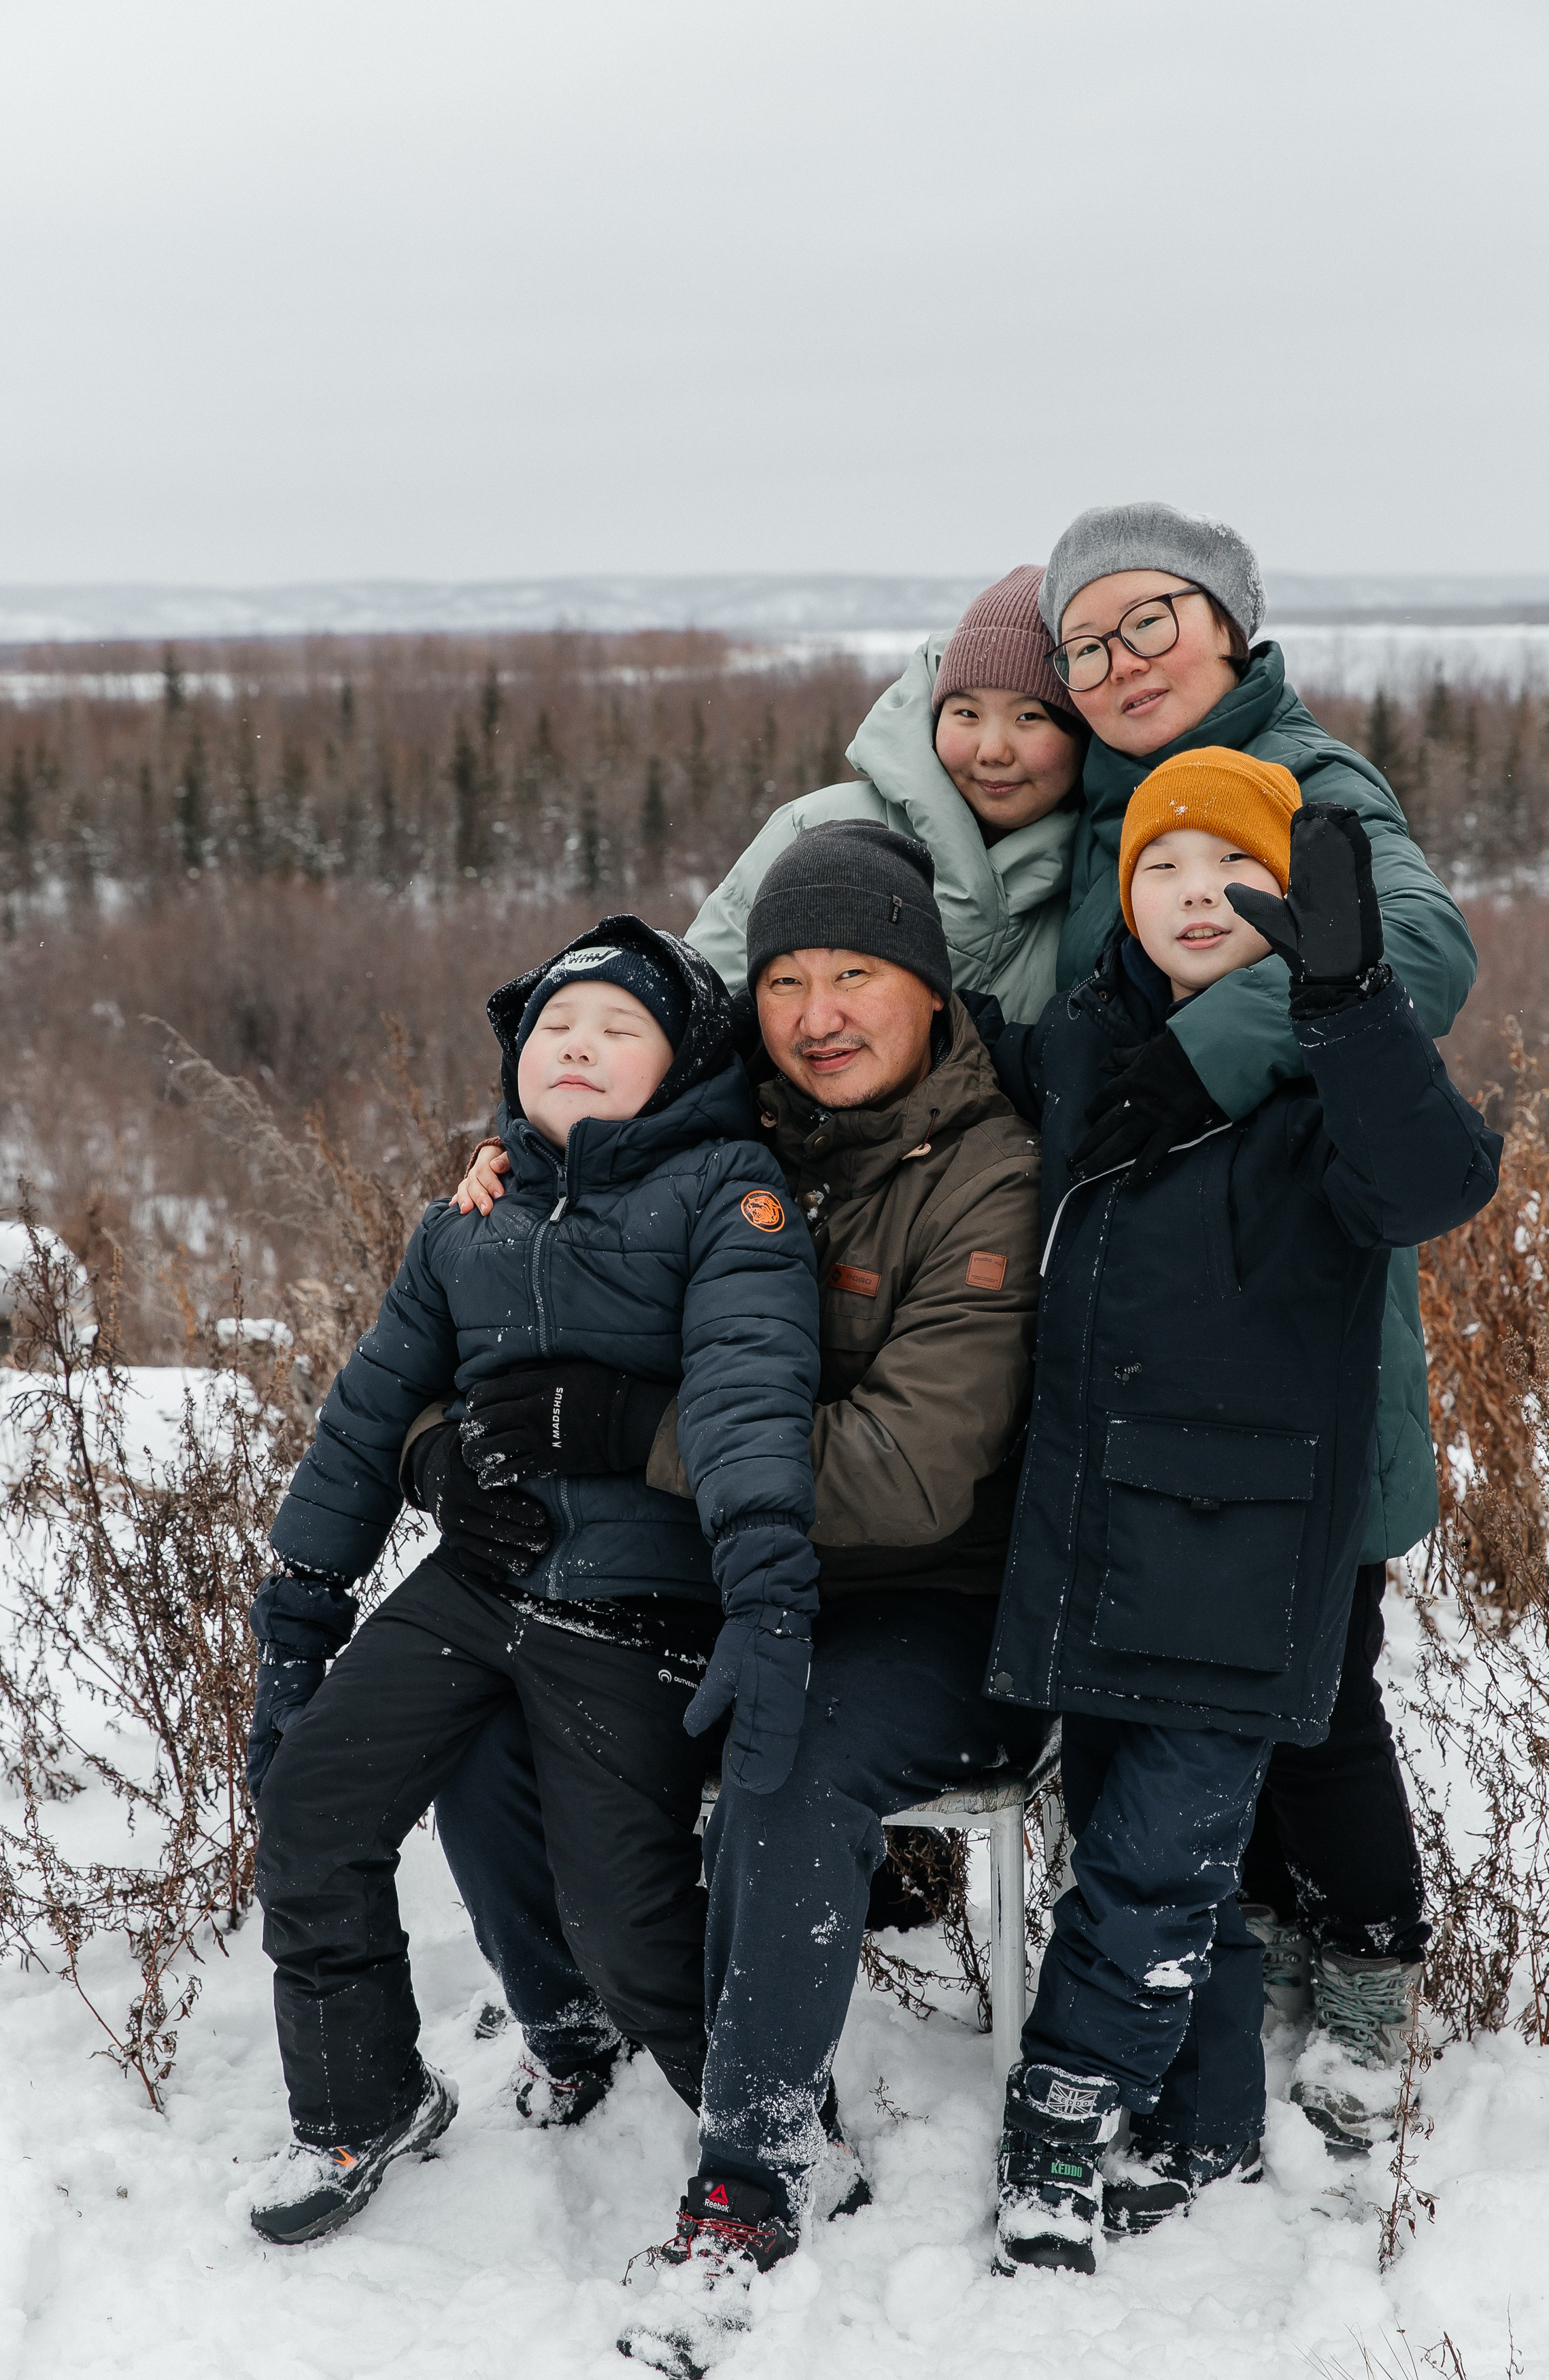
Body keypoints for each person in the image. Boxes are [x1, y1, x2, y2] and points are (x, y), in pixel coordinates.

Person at [449, 824, 1050, 2374]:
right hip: (726, 1570)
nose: (821, 1009)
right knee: (486, 1703)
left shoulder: (985, 1171)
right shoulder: (736, 1133)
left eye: (859, 974)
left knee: (787, 1757)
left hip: (931, 1599)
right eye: (787, 979)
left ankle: (759, 2163)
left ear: (928, 990)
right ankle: (579, 2015)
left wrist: (631, 1435)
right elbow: (570, 1218)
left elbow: (917, 1471)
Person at [981, 750, 1499, 2275]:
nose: (1192, 897)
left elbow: (1430, 1182)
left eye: (1228, 873)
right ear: (1118, 897)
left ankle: (1057, 2122)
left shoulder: (1319, 1078)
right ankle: (1203, 2122)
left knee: (1152, 1859)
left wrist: (1345, 1000)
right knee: (1155, 1868)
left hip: (1240, 1541)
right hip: (1088, 1533)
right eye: (1158, 870)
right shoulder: (1078, 1047)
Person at [242, 917, 821, 2245]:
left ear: (680, 1068)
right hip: (482, 1578)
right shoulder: (472, 1216)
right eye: (555, 1025)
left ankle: (767, 2133)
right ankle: (362, 2097)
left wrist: (763, 1595)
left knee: (626, 1923)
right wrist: (298, 1613)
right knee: (311, 1806)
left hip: (635, 1601)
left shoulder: (729, 1195)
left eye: (617, 1029)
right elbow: (367, 1407)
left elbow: (745, 1404)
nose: (576, 1043)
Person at [1038, 501, 1478, 2149]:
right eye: (1085, 645)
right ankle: (1282, 1923)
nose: (1116, 663)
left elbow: (1418, 950)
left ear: (1231, 623)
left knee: (1323, 1679)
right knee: (1227, 1674)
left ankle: (1371, 1959)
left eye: (1148, 621)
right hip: (1157, 1334)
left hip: (1297, 1306)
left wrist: (1200, 1062)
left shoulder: (1305, 774)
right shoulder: (1095, 808)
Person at [690, 564, 1085, 1023]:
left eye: (1028, 718)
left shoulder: (1113, 874)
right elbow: (699, 1010)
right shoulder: (821, 830)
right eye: (965, 713)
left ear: (1083, 731)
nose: (991, 751)